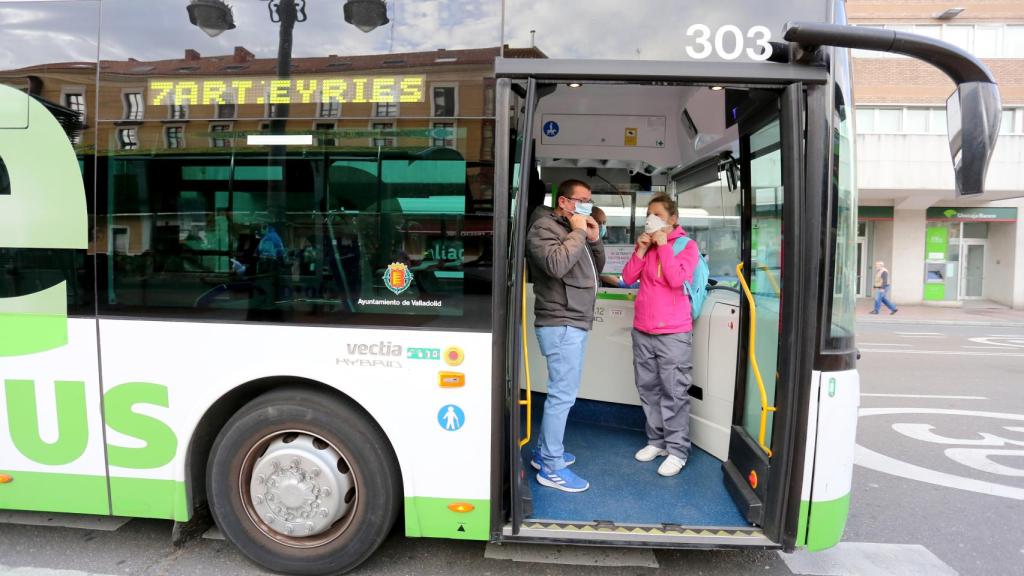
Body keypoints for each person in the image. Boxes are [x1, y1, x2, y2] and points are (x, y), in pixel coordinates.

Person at [525, 179, 605, 493]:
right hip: (561, 322)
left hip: (574, 321)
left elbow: (594, 269)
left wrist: (593, 239)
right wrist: (578, 232)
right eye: (581, 200)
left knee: (562, 393)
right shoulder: (544, 228)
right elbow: (557, 265)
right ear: (563, 202)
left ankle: (545, 452)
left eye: (590, 199)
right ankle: (551, 466)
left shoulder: (575, 229)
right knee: (562, 395)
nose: (586, 205)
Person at [620, 193, 699, 477]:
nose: (652, 220)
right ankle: (657, 441)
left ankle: (677, 450)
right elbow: (627, 278)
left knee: (674, 391)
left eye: (658, 216)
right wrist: (640, 250)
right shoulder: (648, 245)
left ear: (673, 219)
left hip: (673, 332)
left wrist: (664, 246)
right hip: (643, 329)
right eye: (649, 215)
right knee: (648, 388)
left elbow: (677, 279)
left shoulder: (686, 246)